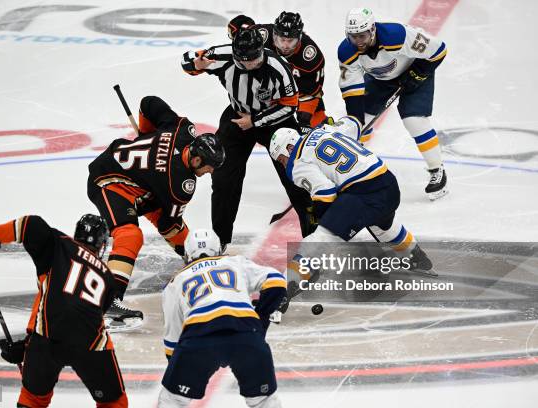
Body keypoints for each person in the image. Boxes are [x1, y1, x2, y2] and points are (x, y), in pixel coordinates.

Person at [0, 214, 128, 408]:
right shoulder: (108, 277)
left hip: (46, 341)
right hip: (90, 344)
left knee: (33, 398)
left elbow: (31, 224)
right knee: (114, 401)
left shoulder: (60, 244)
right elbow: (78, 314)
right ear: (102, 244)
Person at [87, 95, 225, 320]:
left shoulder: (184, 130)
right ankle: (107, 301)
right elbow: (167, 224)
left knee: (167, 216)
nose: (209, 173)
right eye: (209, 168)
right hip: (109, 180)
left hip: (138, 179)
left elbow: (148, 103)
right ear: (198, 160)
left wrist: (147, 133)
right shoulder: (180, 185)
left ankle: (201, 264)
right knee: (130, 235)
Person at [269, 117, 434, 303]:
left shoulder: (299, 164)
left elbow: (326, 193)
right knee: (382, 226)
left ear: (290, 148)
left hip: (364, 193)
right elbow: (353, 124)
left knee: (318, 240)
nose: (284, 165)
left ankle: (278, 295)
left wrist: (328, 223)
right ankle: (416, 256)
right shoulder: (324, 130)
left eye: (282, 159)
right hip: (388, 182)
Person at [181, 27, 313, 249]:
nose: (252, 64)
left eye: (256, 58)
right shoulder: (221, 56)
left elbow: (290, 106)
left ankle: (314, 237)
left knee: (296, 176)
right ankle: (219, 241)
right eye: (246, 61)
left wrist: (255, 120)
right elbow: (187, 60)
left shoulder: (277, 67)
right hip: (237, 118)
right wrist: (196, 65)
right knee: (223, 179)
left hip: (274, 121)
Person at [157, 229, 286, 407]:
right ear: (219, 249)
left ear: (187, 254)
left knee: (173, 400)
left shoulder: (175, 283)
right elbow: (277, 282)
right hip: (246, 333)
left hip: (199, 339)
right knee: (264, 400)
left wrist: (183, 370)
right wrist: (260, 325)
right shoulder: (235, 262)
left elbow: (172, 342)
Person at [337, 8, 449, 200]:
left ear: (372, 30)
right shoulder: (347, 51)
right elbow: (352, 91)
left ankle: (437, 169)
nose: (358, 42)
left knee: (413, 120)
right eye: (353, 37)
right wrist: (356, 121)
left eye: (362, 36)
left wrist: (418, 74)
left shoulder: (397, 36)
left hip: (415, 71)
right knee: (360, 122)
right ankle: (354, 172)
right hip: (380, 79)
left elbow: (439, 50)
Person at [228, 12, 328, 134]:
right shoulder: (262, 35)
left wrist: (304, 119)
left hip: (296, 92)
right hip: (266, 88)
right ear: (275, 34)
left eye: (290, 40)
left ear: (299, 37)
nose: (285, 46)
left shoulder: (311, 57)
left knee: (314, 126)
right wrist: (237, 30)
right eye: (282, 39)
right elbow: (240, 33)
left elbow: (310, 93)